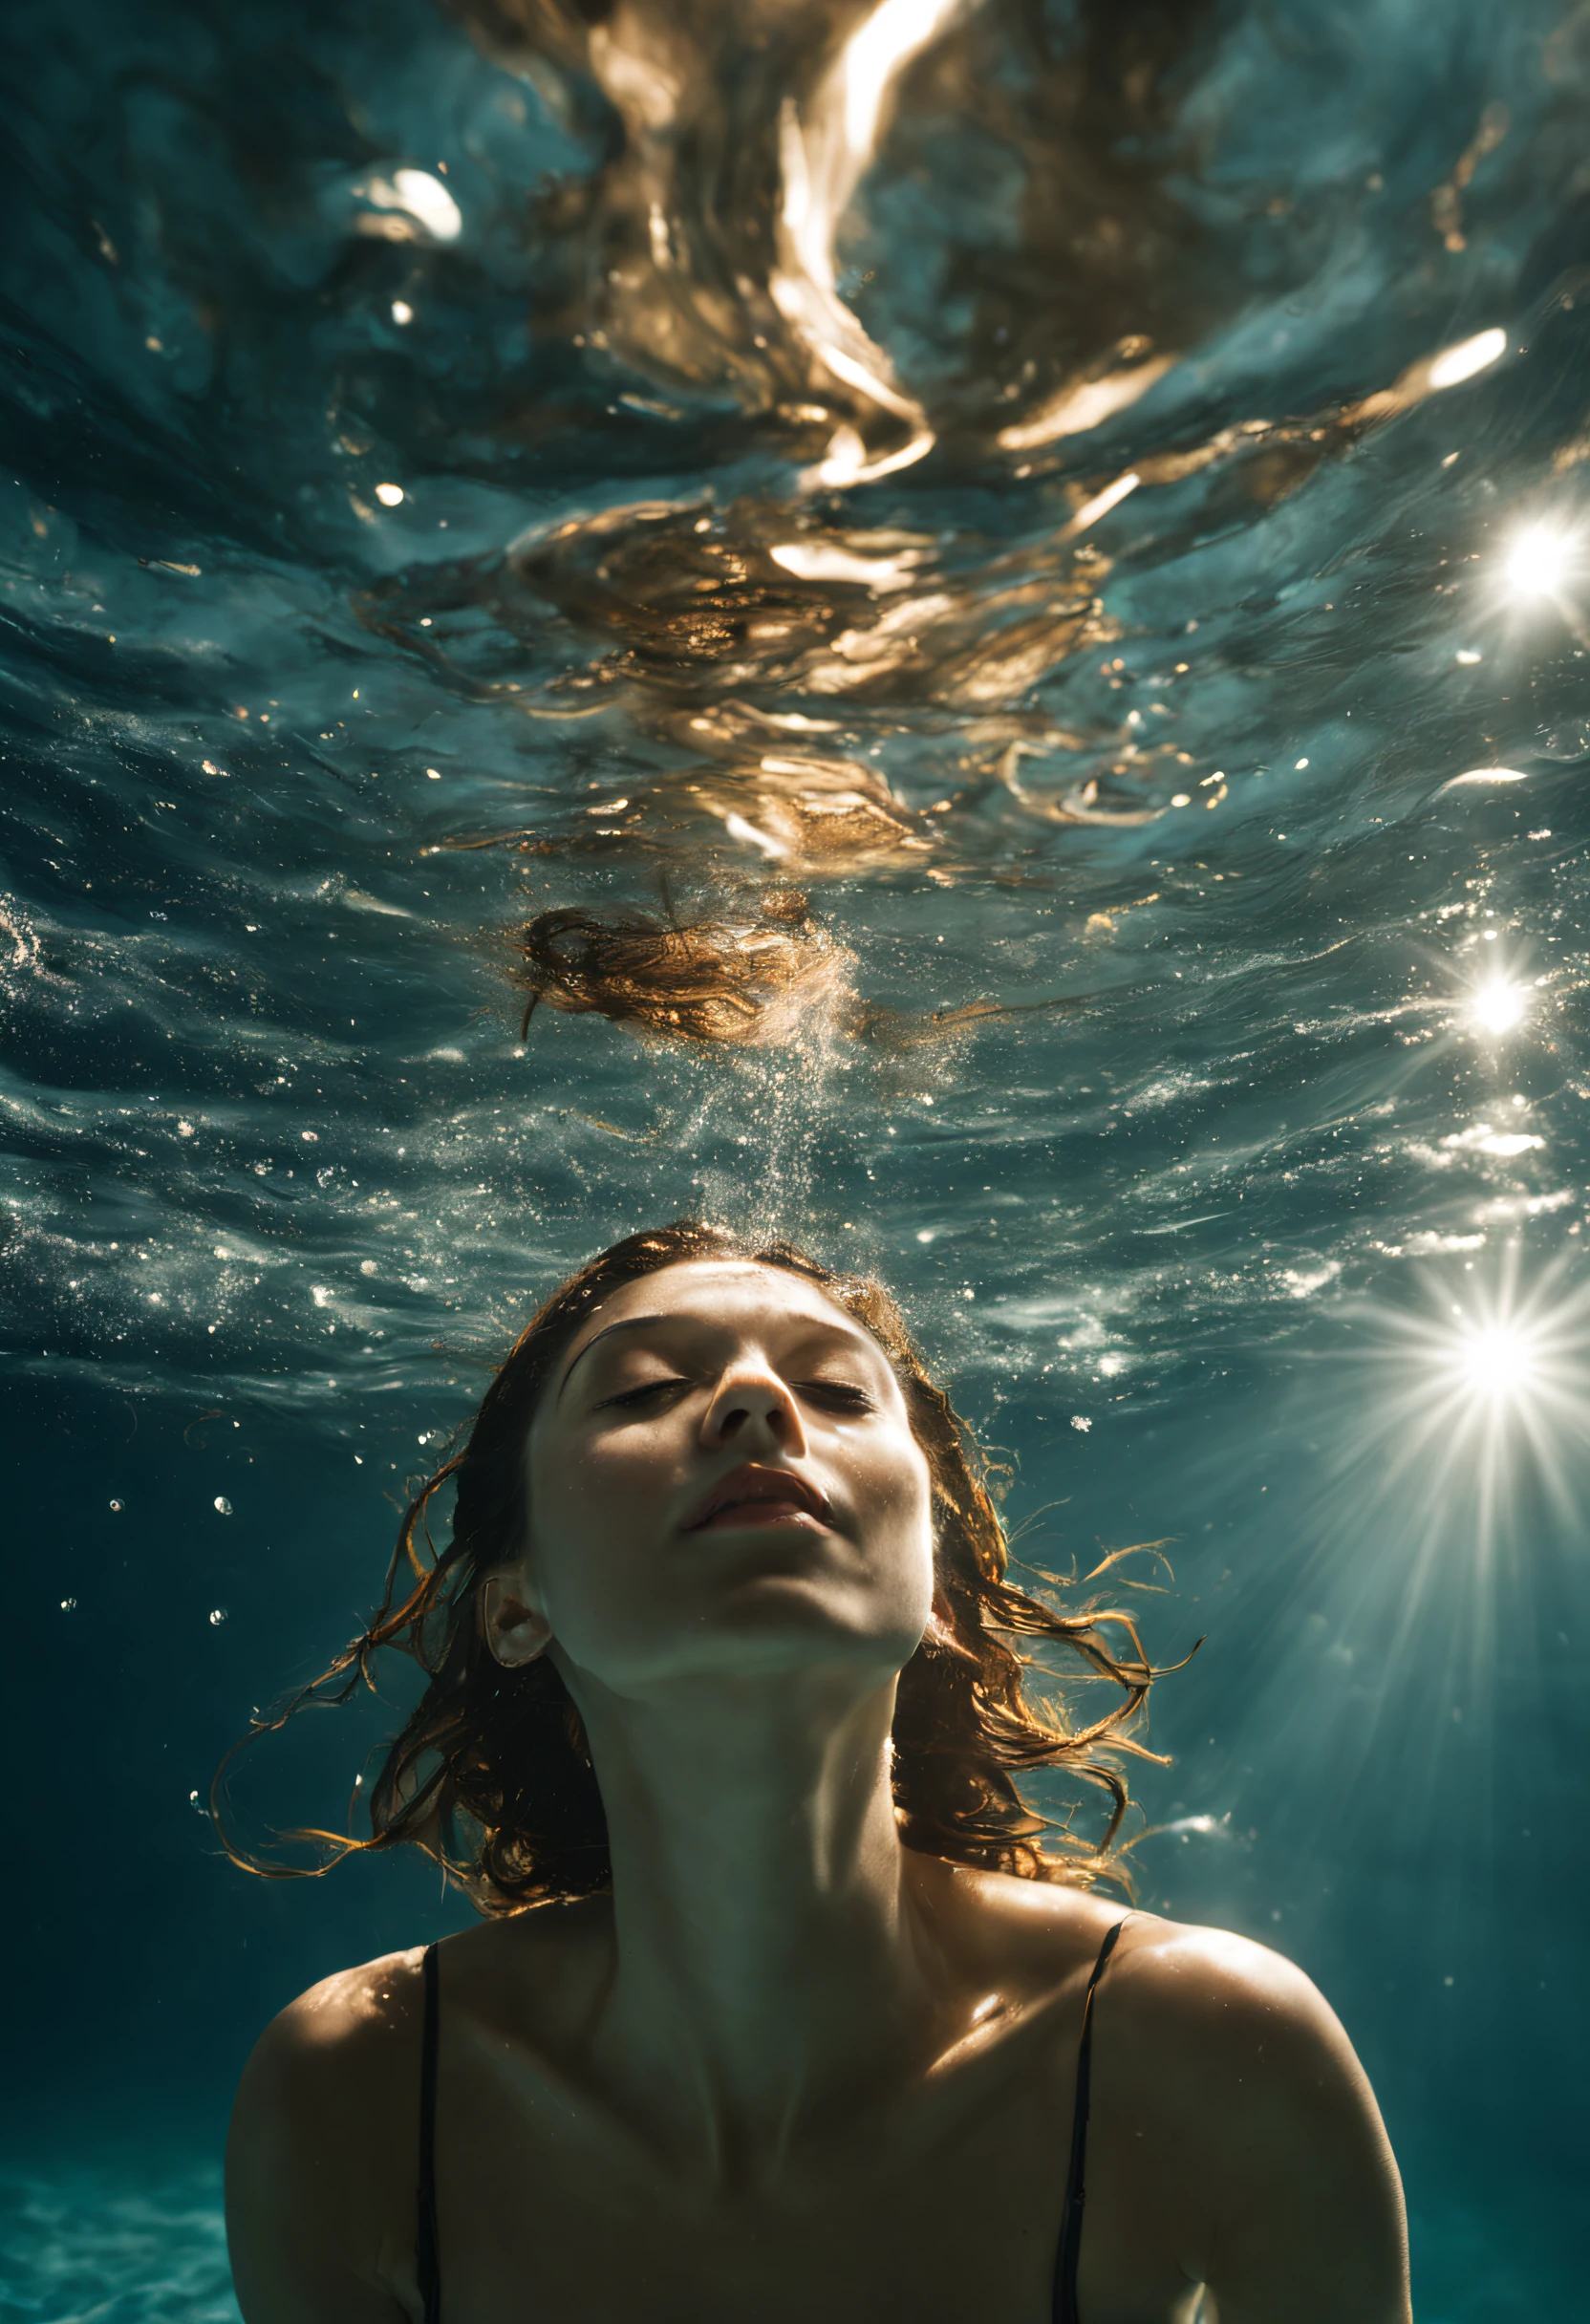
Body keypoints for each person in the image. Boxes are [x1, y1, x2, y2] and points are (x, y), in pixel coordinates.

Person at [223, 1221, 1410, 2323]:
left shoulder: (1208, 2058)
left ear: (933, 1594)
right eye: (643, 1386)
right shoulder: (355, 2097)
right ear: (514, 1604)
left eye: (839, 1390)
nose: (756, 1396)